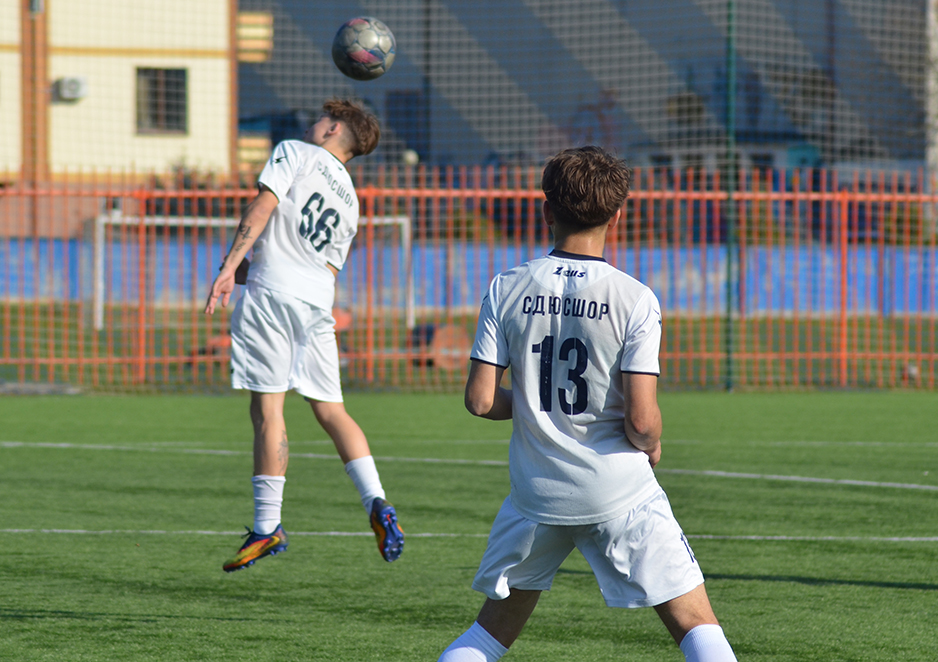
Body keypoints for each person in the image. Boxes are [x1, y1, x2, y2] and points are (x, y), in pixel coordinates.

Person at [438, 147, 737, 661]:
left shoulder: (506, 286)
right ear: (617, 215)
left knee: (487, 635)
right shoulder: (634, 298)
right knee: (695, 624)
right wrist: (652, 443)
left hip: (537, 496)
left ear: (546, 210)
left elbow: (481, 400)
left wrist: (532, 404)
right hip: (618, 490)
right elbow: (641, 420)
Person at [205, 98, 404, 572]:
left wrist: (229, 267)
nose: (313, 125)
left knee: (268, 410)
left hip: (272, 298)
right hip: (316, 305)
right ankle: (377, 500)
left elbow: (262, 206)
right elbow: (324, 266)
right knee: (332, 410)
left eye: (320, 119)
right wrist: (250, 268)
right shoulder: (351, 200)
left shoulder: (294, 152)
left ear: (333, 128)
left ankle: (267, 526)